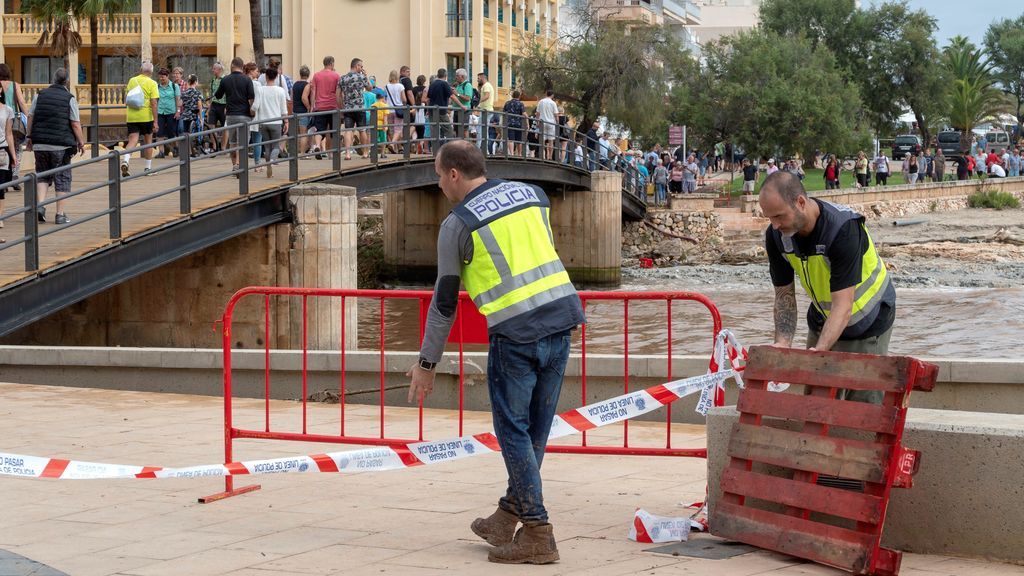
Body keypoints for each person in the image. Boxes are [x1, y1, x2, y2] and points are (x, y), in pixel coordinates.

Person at [408, 140, 583, 565]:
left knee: (513, 432)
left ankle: (538, 532)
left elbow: (445, 303)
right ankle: (507, 515)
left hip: (516, 334)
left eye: (437, 174)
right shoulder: (533, 196)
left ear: (453, 174)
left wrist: (426, 364)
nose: (437, 183)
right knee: (535, 430)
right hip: (561, 321)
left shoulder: (457, 225)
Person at [760, 171, 895, 404]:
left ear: (800, 202)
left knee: (861, 405)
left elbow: (843, 306)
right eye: (769, 218)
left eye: (779, 216)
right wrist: (783, 342)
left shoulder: (843, 230)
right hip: (824, 316)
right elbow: (784, 295)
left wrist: (820, 350)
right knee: (815, 400)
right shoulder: (777, 236)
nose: (775, 224)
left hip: (868, 319)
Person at [25, 68, 84, 225]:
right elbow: (75, 123)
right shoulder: (69, 98)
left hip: (40, 143)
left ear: (53, 79)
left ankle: (41, 206)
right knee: (62, 177)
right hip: (61, 146)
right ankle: (60, 214)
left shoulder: (40, 95)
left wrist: (29, 137)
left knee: (42, 175)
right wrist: (81, 142)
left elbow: (30, 117)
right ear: (66, 82)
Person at [213, 57, 255, 174]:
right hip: (244, 115)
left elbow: (218, 95)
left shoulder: (225, 79)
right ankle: (240, 164)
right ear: (242, 67)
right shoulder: (247, 80)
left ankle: (234, 165)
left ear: (232, 66)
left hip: (231, 115)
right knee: (243, 142)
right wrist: (252, 112)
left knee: (232, 142)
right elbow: (251, 98)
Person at [121, 62, 159, 177]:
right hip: (146, 117)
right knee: (148, 142)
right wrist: (156, 121)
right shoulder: (152, 83)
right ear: (151, 72)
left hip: (132, 116)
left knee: (132, 140)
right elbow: (154, 103)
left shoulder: (132, 80)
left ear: (141, 70)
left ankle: (126, 160)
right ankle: (147, 168)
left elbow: (126, 98)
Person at [254, 66, 288, 177]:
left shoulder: (260, 89)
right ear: (276, 77)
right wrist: (286, 122)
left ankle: (268, 166)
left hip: (263, 122)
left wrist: (251, 111)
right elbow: (284, 109)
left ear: (266, 76)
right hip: (276, 122)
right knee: (276, 146)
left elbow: (256, 105)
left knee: (267, 146)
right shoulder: (280, 91)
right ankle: (272, 161)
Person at [0, 64, 28, 191]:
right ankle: (14, 176)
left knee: (3, 148)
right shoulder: (15, 85)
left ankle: (4, 180)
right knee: (17, 149)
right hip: (14, 121)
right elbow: (21, 102)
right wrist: (28, 118)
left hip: (1, 120)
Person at [338, 58, 372, 160]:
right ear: (356, 66)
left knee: (348, 130)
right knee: (362, 130)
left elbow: (337, 95)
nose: (361, 68)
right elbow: (370, 88)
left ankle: (348, 153)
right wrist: (366, 75)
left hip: (348, 108)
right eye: (361, 66)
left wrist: (341, 107)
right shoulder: (361, 77)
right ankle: (365, 153)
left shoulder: (343, 78)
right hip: (360, 108)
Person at [308, 55, 340, 159]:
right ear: (332, 63)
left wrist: (313, 105)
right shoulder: (336, 76)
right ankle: (331, 153)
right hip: (332, 106)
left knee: (320, 130)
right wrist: (340, 106)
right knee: (332, 131)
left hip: (320, 106)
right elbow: (338, 92)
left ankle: (317, 146)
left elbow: (313, 91)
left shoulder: (316, 75)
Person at [0, 87, 17, 237]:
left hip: (2, 151)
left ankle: (0, 217)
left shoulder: (8, 110)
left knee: (1, 187)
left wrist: (13, 156)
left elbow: (9, 133)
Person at [154, 68, 181, 158]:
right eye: (160, 77)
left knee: (171, 132)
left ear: (167, 76)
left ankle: (175, 148)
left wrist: (178, 111)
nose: (162, 79)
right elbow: (155, 100)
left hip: (171, 112)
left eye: (163, 77)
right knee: (159, 132)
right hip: (160, 112)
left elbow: (178, 99)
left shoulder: (174, 86)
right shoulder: (157, 87)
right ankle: (161, 152)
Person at [426, 68, 453, 147]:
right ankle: (449, 149)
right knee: (449, 130)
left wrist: (428, 109)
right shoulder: (444, 84)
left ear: (438, 75)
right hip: (441, 111)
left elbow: (428, 99)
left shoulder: (432, 84)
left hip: (432, 111)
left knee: (434, 131)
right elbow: (451, 95)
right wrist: (461, 106)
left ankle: (435, 150)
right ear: (445, 75)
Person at [383, 69, 407, 151]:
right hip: (398, 109)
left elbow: (384, 99)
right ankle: (393, 144)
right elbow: (404, 99)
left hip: (389, 109)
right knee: (398, 129)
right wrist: (405, 105)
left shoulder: (386, 86)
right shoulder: (400, 86)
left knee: (391, 129)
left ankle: (397, 147)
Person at [179, 75, 203, 156]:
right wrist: (200, 117)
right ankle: (196, 148)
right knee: (194, 132)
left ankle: (188, 151)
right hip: (194, 114)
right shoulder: (197, 93)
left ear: (189, 82)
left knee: (186, 133)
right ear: (195, 82)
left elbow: (180, 104)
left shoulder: (184, 93)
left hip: (186, 115)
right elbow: (199, 104)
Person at [207, 62, 228, 153]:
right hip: (214, 105)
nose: (213, 70)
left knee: (225, 127)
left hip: (224, 105)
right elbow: (212, 94)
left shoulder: (225, 80)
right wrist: (209, 107)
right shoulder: (213, 80)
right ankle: (215, 146)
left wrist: (227, 107)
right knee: (211, 125)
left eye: (214, 69)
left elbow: (228, 94)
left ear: (219, 70)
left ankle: (223, 147)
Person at [293, 66, 311, 155]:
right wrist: (308, 107)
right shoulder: (307, 85)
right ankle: (302, 153)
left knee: (295, 134)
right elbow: (304, 98)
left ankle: (295, 153)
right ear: (308, 75)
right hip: (303, 112)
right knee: (303, 133)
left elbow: (292, 98)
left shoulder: (295, 84)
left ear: (300, 74)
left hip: (294, 111)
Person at [450, 68, 473, 136]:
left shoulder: (467, 85)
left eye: (457, 75)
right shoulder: (458, 85)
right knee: (456, 129)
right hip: (457, 110)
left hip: (464, 111)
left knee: (464, 129)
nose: (456, 77)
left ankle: (465, 145)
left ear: (462, 76)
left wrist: (457, 94)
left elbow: (468, 98)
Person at [535, 90, 558, 160]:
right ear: (552, 95)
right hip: (551, 123)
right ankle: (550, 157)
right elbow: (556, 115)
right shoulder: (553, 103)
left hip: (542, 123)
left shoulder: (541, 101)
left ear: (546, 94)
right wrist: (557, 123)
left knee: (542, 141)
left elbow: (537, 113)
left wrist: (537, 122)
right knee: (551, 141)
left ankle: (543, 156)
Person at [502, 90, 526, 156]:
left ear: (512, 95)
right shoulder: (521, 104)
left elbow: (504, 113)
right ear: (519, 96)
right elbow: (524, 113)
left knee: (511, 139)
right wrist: (527, 118)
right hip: (518, 124)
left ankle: (512, 153)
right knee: (519, 140)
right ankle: (519, 154)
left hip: (510, 123)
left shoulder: (507, 103)